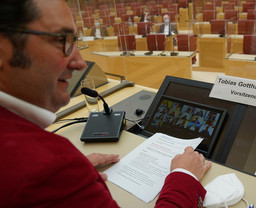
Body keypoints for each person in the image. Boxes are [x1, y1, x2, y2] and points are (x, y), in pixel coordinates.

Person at [0, 0, 211, 207]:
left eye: (75, 40)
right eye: (60, 40)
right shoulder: (51, 169)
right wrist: (184, 176)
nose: (80, 62)